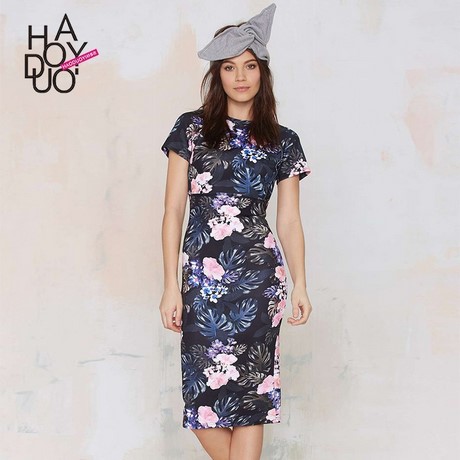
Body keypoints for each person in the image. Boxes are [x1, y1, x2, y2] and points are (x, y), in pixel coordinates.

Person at [159, 4, 313, 459]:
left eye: (249, 66)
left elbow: (289, 219)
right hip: (202, 281)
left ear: (263, 72)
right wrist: (170, 286)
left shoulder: (284, 140)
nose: (240, 76)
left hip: (260, 282)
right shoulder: (190, 129)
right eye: (229, 67)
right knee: (202, 401)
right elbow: (173, 210)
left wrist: (301, 283)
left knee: (251, 399)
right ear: (217, 74)